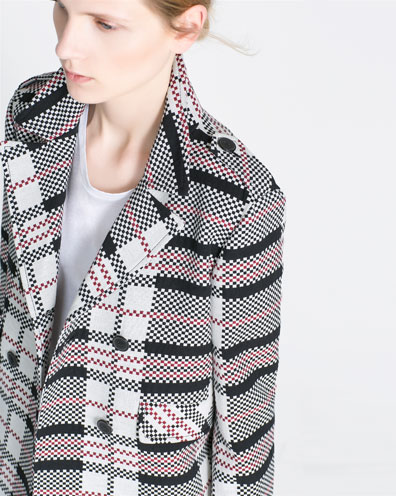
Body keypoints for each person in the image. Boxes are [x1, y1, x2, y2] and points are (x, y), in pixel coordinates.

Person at [0, 0, 287, 495]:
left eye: (105, 24)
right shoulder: (33, 112)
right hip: (17, 452)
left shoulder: (236, 196)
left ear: (186, 29)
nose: (65, 45)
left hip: (131, 475)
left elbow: (244, 425)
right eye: (63, 9)